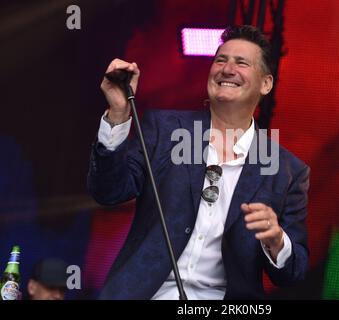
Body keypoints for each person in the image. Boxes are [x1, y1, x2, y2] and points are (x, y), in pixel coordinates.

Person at [88, 25, 310, 299]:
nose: (227, 69)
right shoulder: (165, 130)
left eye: (241, 63)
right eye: (220, 60)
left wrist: (277, 239)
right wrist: (118, 113)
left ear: (266, 83)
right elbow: (108, 191)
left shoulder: (288, 172)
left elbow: (294, 273)